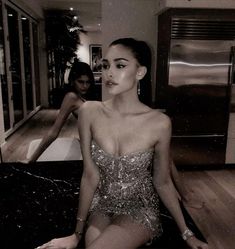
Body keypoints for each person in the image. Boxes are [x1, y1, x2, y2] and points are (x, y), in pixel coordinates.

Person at [37, 38, 208, 249]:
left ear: (140, 72)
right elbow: (90, 175)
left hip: (140, 208)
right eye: (106, 65)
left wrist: (187, 233)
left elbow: (163, 181)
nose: (109, 73)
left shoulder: (160, 123)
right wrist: (76, 235)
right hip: (101, 205)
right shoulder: (89, 111)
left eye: (120, 65)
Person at [26, 60, 95, 163]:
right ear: (72, 80)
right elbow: (54, 131)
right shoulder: (71, 97)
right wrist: (31, 161)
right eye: (80, 82)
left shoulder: (83, 96)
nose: (85, 86)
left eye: (88, 82)